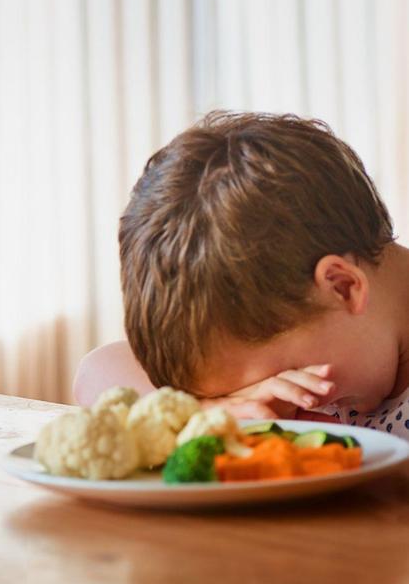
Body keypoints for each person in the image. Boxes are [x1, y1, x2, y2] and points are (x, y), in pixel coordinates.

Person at [74, 111, 409, 437]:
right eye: (235, 395)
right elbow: (94, 372)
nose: (265, 396)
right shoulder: (325, 326)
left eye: (286, 376)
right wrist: (203, 411)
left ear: (343, 287)